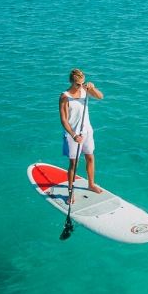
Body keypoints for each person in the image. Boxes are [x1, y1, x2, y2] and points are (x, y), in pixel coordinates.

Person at [59, 68, 104, 204]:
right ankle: (70, 192)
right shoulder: (65, 96)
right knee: (74, 164)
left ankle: (91, 184)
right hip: (73, 135)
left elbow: (100, 96)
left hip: (87, 132)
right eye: (78, 84)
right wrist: (73, 135)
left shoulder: (85, 90)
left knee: (90, 157)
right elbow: (64, 120)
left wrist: (92, 88)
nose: (80, 86)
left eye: (82, 83)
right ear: (72, 82)